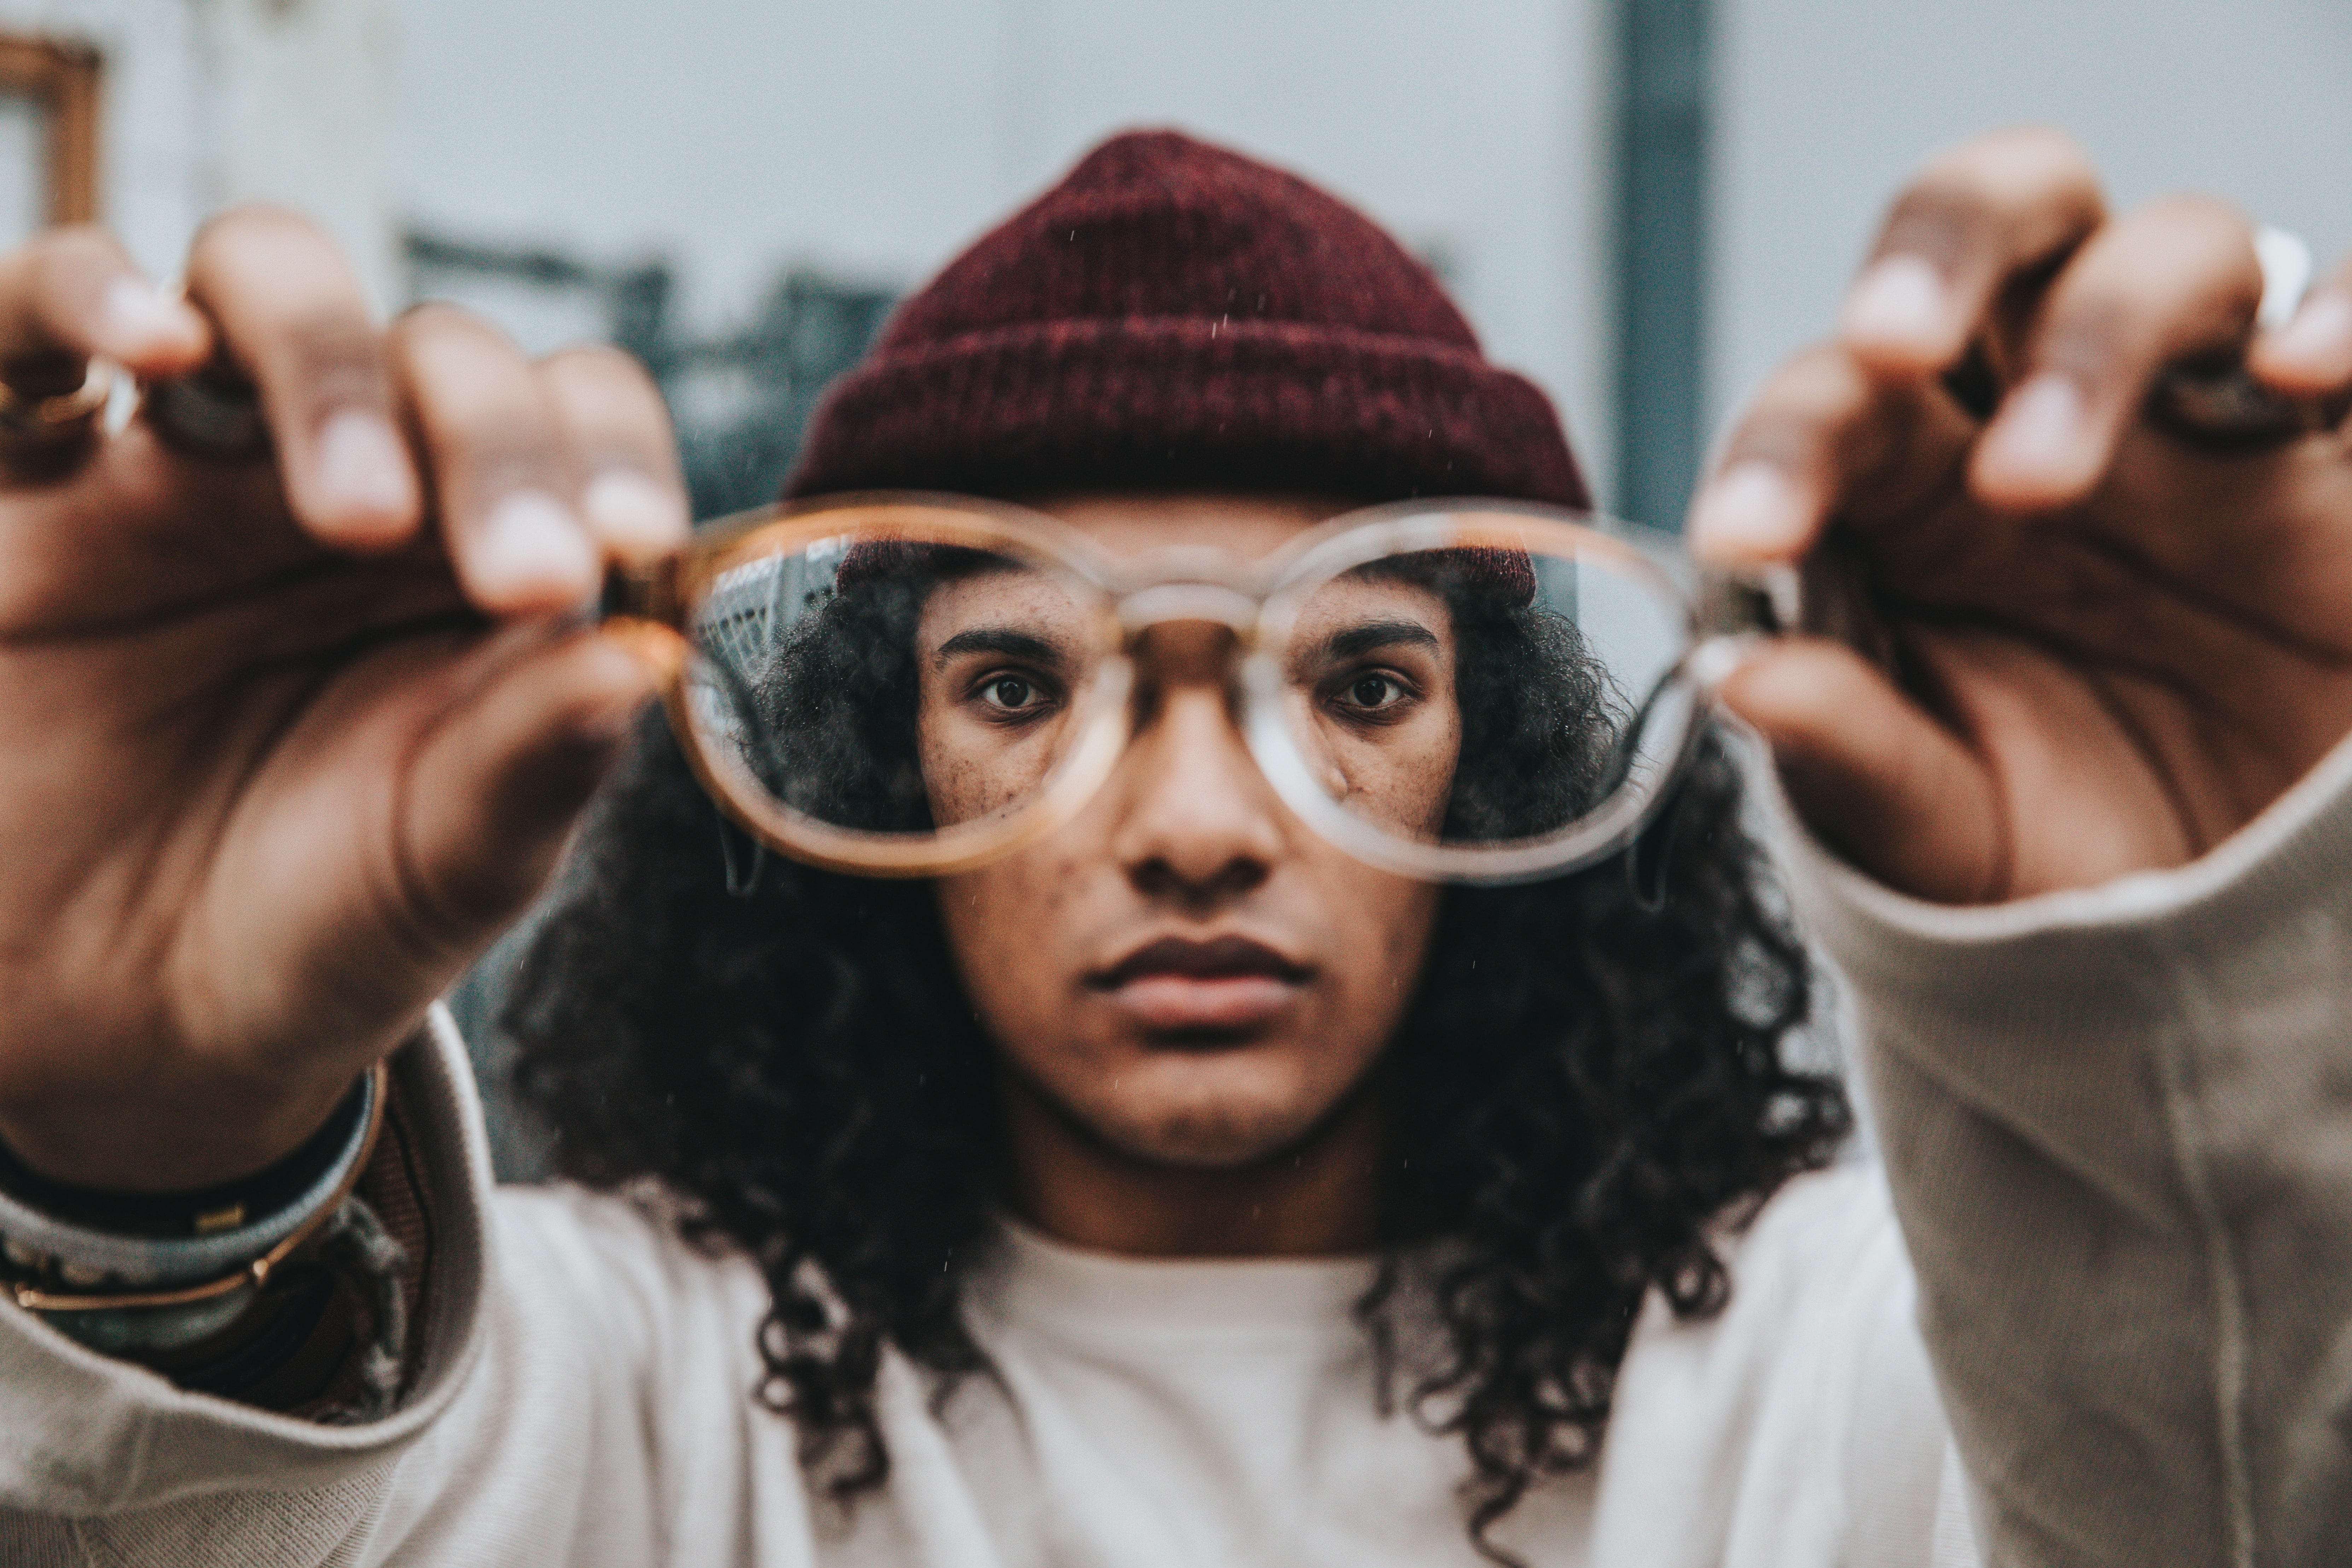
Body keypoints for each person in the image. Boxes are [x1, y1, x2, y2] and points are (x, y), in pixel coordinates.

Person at [2, 124, 2351, 1567]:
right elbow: (218, 1521)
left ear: (1506, 758)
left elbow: (2198, 1482)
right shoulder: (618, 1385)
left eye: (1363, 683)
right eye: (1024, 685)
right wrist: (134, 1160)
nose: (1204, 829)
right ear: (881, 760)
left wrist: (2204, 1018)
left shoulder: (1840, 1377)